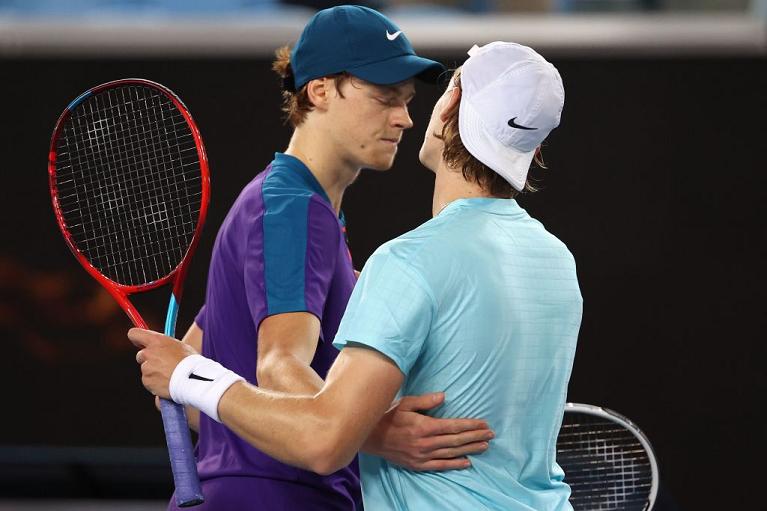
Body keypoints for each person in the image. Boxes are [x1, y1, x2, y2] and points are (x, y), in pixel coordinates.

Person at [133, 41, 582, 510]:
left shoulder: (409, 262)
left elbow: (324, 439)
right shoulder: (556, 262)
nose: (406, 117)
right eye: (387, 97)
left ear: (448, 107)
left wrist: (189, 375)